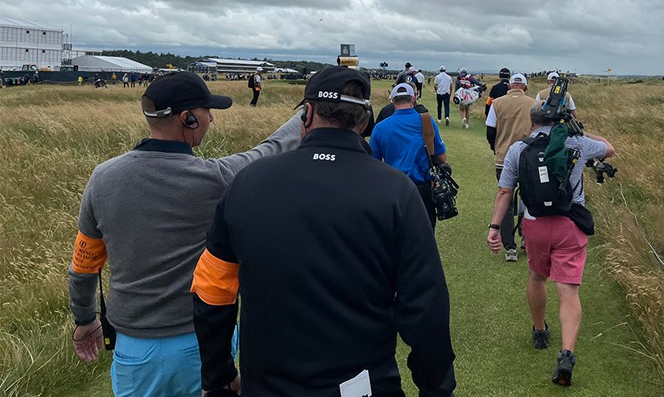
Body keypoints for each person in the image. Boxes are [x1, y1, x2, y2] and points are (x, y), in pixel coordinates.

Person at [192, 67, 456, 396]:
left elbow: (212, 291)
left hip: (267, 385)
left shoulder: (247, 183)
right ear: (364, 122)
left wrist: (218, 376)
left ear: (308, 113)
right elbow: (426, 306)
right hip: (364, 386)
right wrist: (436, 389)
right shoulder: (397, 192)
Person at [67, 71, 302, 397]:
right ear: (188, 119)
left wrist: (84, 319)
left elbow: (83, 266)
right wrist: (309, 113)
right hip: (200, 342)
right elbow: (270, 150)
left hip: (134, 349)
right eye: (208, 113)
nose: (211, 121)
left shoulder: (102, 178)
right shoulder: (214, 179)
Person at [487, 104, 614, 386]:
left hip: (535, 224)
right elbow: (609, 148)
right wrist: (578, 129)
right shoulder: (577, 142)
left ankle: (540, 330)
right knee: (568, 291)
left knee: (536, 276)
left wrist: (495, 227)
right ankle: (567, 354)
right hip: (570, 224)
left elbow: (505, 190)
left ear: (532, 122)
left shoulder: (519, 150)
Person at [370, 82, 447, 229]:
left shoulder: (380, 128)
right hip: (422, 188)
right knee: (425, 234)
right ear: (413, 98)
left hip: (392, 188)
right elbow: (442, 158)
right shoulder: (427, 121)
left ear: (392, 100)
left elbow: (374, 165)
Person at [484, 73, 535, 261]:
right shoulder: (534, 104)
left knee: (505, 198)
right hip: (529, 158)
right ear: (525, 87)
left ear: (509, 86)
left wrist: (495, 147)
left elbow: (490, 131)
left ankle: (509, 247)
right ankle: (526, 238)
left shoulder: (497, 103)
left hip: (504, 157)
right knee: (529, 199)